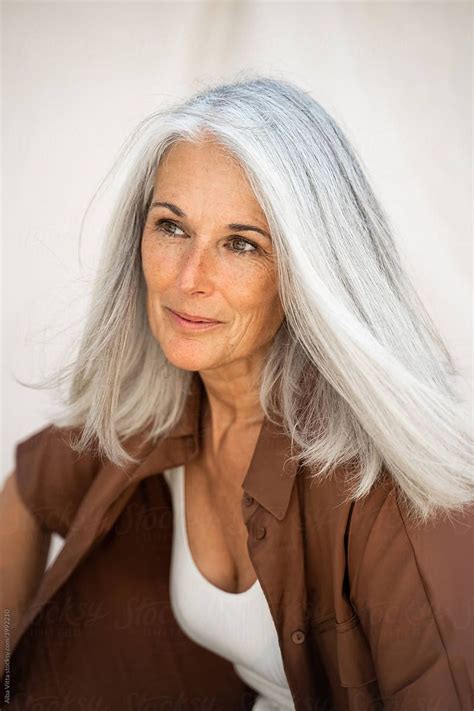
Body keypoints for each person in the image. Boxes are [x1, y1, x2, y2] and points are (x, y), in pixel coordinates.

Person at [1, 75, 473, 710]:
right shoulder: (160, 414)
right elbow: (29, 491)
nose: (190, 278)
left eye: (241, 244)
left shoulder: (386, 486)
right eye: (171, 227)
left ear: (311, 270)